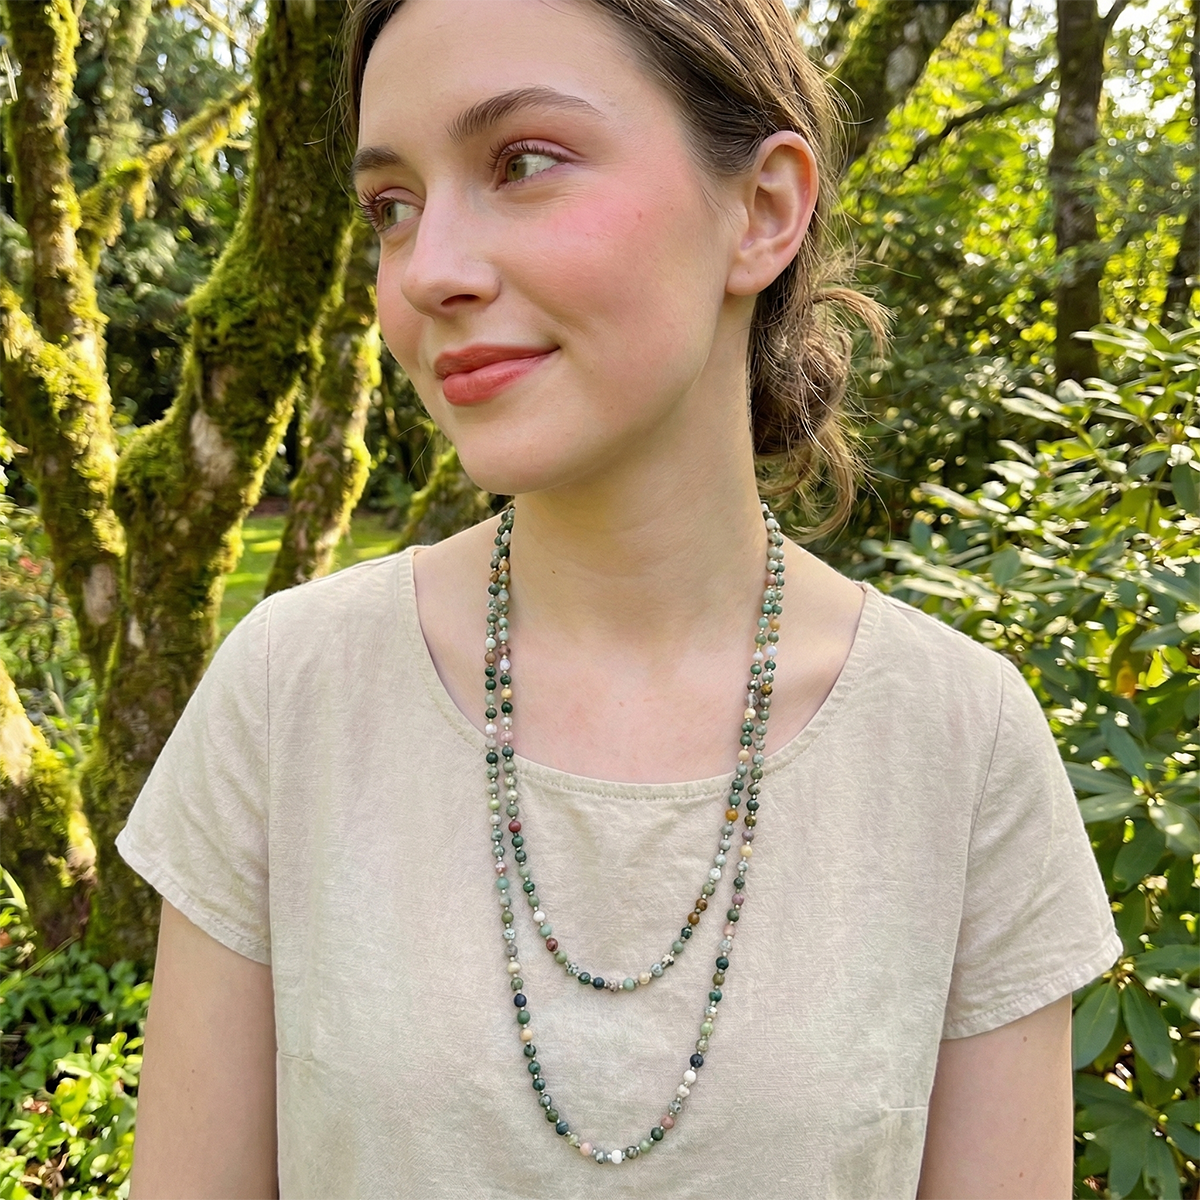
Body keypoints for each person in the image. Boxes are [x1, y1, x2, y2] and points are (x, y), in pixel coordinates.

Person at [116, 0, 1122, 1195]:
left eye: (523, 162)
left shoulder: (959, 743)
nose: (428, 269)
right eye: (391, 206)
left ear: (761, 211)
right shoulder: (291, 696)